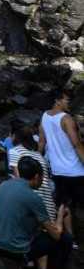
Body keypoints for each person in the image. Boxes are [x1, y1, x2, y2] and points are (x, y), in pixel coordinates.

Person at [0, 155, 72, 269]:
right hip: (16, 250)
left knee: (39, 232)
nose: (42, 181)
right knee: (65, 239)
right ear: (36, 177)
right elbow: (56, 235)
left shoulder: (3, 185)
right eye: (42, 177)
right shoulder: (33, 197)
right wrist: (60, 216)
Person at [10, 127, 74, 239]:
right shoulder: (38, 155)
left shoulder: (15, 151)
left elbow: (20, 180)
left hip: (34, 203)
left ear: (15, 137)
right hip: (48, 204)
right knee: (45, 240)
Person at [40, 89, 84, 218]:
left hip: (57, 170)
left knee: (63, 206)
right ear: (57, 101)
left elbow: (42, 141)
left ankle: (69, 236)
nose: (68, 102)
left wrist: (38, 159)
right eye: (66, 100)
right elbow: (77, 144)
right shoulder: (66, 119)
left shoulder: (44, 116)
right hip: (76, 171)